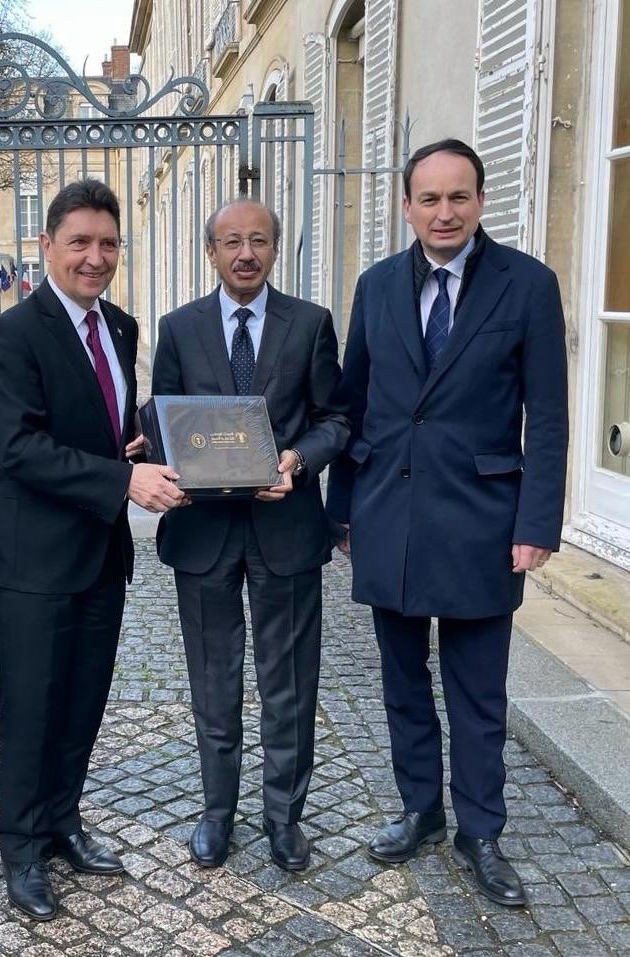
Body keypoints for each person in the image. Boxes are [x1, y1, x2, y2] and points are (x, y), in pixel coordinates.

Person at [326, 140, 568, 907]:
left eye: (456, 197)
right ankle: (419, 809)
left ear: (479, 201)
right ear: (405, 206)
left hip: (483, 523)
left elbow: (550, 417)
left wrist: (536, 524)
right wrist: (341, 509)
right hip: (387, 514)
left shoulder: (526, 285)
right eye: (427, 198)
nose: (443, 212)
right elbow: (350, 403)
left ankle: (481, 829)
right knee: (401, 683)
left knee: (476, 692)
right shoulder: (375, 286)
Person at [0, 179, 184, 921]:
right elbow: (23, 451)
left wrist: (131, 445)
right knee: (30, 708)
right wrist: (123, 476)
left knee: (83, 703)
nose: (95, 258)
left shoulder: (120, 327)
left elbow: (102, 424)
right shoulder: (10, 334)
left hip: (99, 552)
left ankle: (62, 822)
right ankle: (20, 847)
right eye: (80, 243)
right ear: (47, 247)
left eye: (107, 244)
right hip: (31, 559)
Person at [151, 198, 349, 871]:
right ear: (211, 251)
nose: (245, 253)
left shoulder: (311, 324)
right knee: (213, 680)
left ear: (274, 248)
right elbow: (165, 420)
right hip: (203, 532)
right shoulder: (179, 329)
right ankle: (216, 811)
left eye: (258, 240)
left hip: (285, 527)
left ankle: (283, 816)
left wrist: (296, 459)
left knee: (288, 682)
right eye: (231, 241)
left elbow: (336, 419)